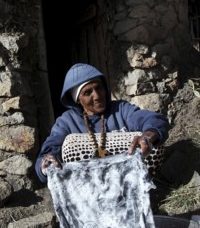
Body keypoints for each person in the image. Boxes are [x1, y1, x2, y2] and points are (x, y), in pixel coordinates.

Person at [35, 63, 170, 183]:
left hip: (127, 184)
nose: (97, 96)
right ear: (77, 99)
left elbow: (153, 119)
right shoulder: (67, 122)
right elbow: (49, 151)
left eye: (99, 88)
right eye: (88, 92)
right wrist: (46, 163)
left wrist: (147, 136)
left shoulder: (121, 110)